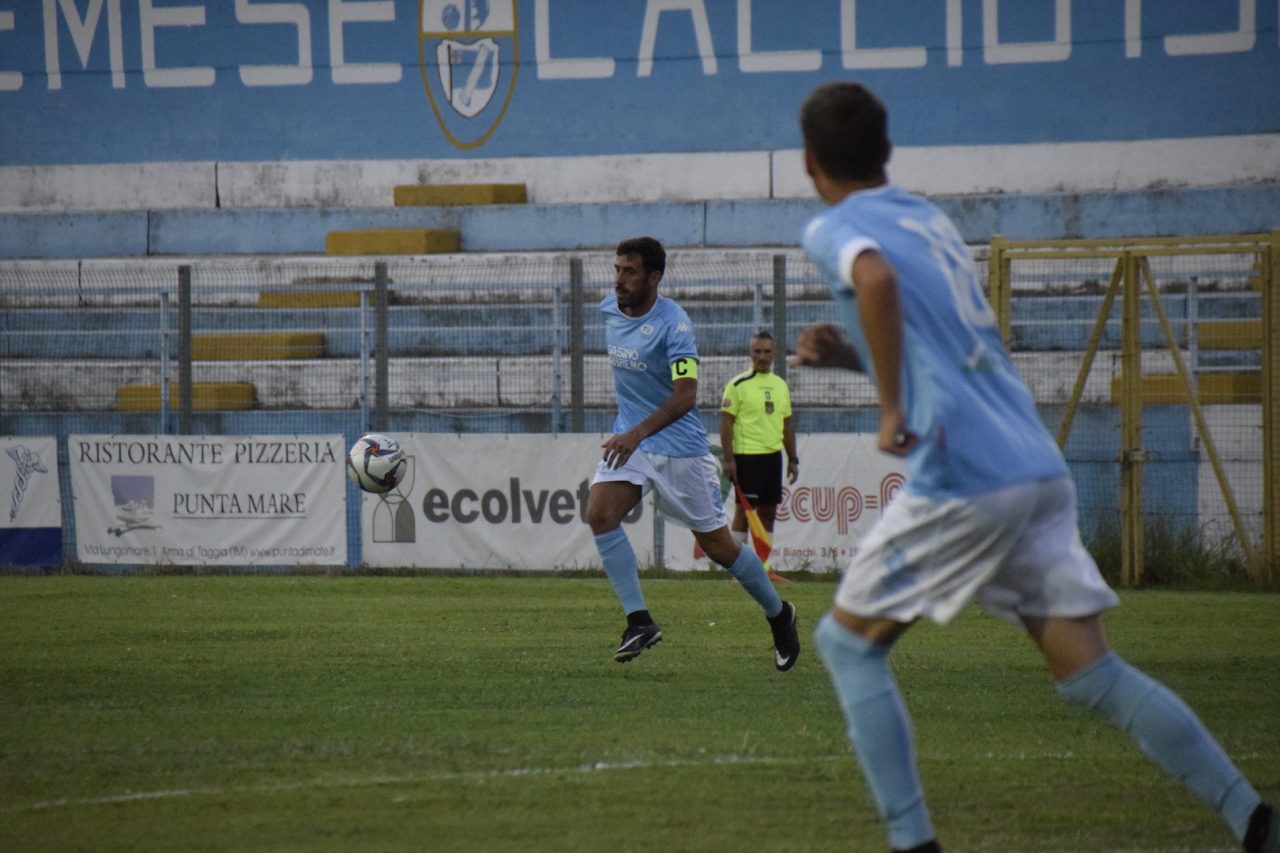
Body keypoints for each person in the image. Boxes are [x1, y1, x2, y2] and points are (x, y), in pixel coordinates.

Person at [792, 81, 1276, 853]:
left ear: (811, 161)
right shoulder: (931, 218)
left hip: (965, 471)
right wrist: (857, 359)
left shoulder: (835, 226)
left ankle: (913, 842)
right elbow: (946, 349)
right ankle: (1253, 817)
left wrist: (887, 408)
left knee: (849, 644)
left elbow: (874, 278)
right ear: (887, 152)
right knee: (1093, 672)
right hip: (1031, 463)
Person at [586, 236, 800, 671]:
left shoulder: (675, 325)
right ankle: (639, 621)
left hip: (678, 448)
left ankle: (780, 614)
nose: (619, 280)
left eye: (629, 272)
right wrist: (631, 434)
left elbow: (686, 396)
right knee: (600, 514)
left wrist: (637, 433)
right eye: (616, 270)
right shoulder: (609, 309)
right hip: (633, 440)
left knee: (719, 547)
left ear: (654, 276)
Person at [719, 329, 799, 567]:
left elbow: (786, 423)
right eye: (757, 352)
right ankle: (738, 568)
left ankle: (763, 567)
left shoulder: (780, 385)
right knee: (744, 512)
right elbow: (726, 424)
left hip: (773, 458)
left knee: (768, 512)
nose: (762, 356)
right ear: (750, 353)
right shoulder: (737, 385)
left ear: (774, 353)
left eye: (767, 351)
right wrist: (729, 459)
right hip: (746, 457)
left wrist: (793, 458)